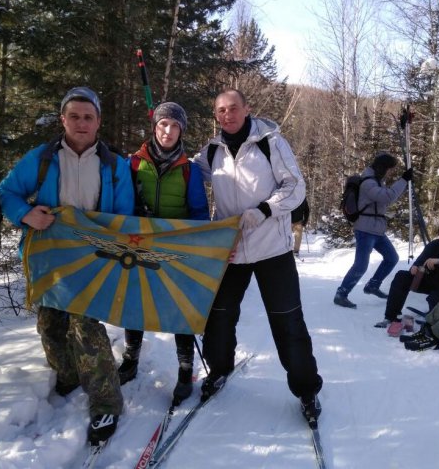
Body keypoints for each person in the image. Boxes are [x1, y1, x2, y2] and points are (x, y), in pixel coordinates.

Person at [0, 87, 134, 445]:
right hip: (49, 258)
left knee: (84, 326)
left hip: (92, 260)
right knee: (50, 325)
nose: (81, 123)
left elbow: (125, 218)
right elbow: (6, 192)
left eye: (88, 117)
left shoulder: (115, 166)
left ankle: (106, 402)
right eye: (74, 116)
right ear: (63, 120)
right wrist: (25, 213)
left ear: (99, 121)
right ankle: (69, 376)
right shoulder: (41, 159)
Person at [194, 88, 323, 424]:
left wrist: (264, 210)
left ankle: (307, 389)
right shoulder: (211, 151)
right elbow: (186, 173)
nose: (227, 115)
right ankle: (219, 369)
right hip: (231, 248)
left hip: (272, 247)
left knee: (287, 320)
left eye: (233, 108)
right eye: (221, 110)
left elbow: (295, 186)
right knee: (219, 316)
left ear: (246, 109)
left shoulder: (270, 142)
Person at [119, 102, 209, 404]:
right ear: (154, 128)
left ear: (181, 130)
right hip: (139, 244)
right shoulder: (133, 163)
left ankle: (185, 369)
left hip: (174, 250)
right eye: (162, 125)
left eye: (173, 125)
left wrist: (187, 241)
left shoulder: (189, 170)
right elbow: (121, 205)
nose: (167, 131)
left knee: (179, 308)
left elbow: (199, 212)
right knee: (136, 302)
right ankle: (130, 359)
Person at [333, 152, 413, 308]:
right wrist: (403, 180)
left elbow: (382, 202)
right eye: (389, 169)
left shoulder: (376, 181)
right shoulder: (368, 182)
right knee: (361, 265)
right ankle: (341, 293)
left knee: (392, 258)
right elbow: (387, 197)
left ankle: (373, 285)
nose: (390, 172)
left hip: (376, 229)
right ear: (382, 167)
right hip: (365, 229)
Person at [375, 216, 439, 328]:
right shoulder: (434, 245)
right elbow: (419, 261)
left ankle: (436, 321)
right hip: (433, 281)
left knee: (435, 297)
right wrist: (415, 267)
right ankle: (390, 317)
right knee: (401, 276)